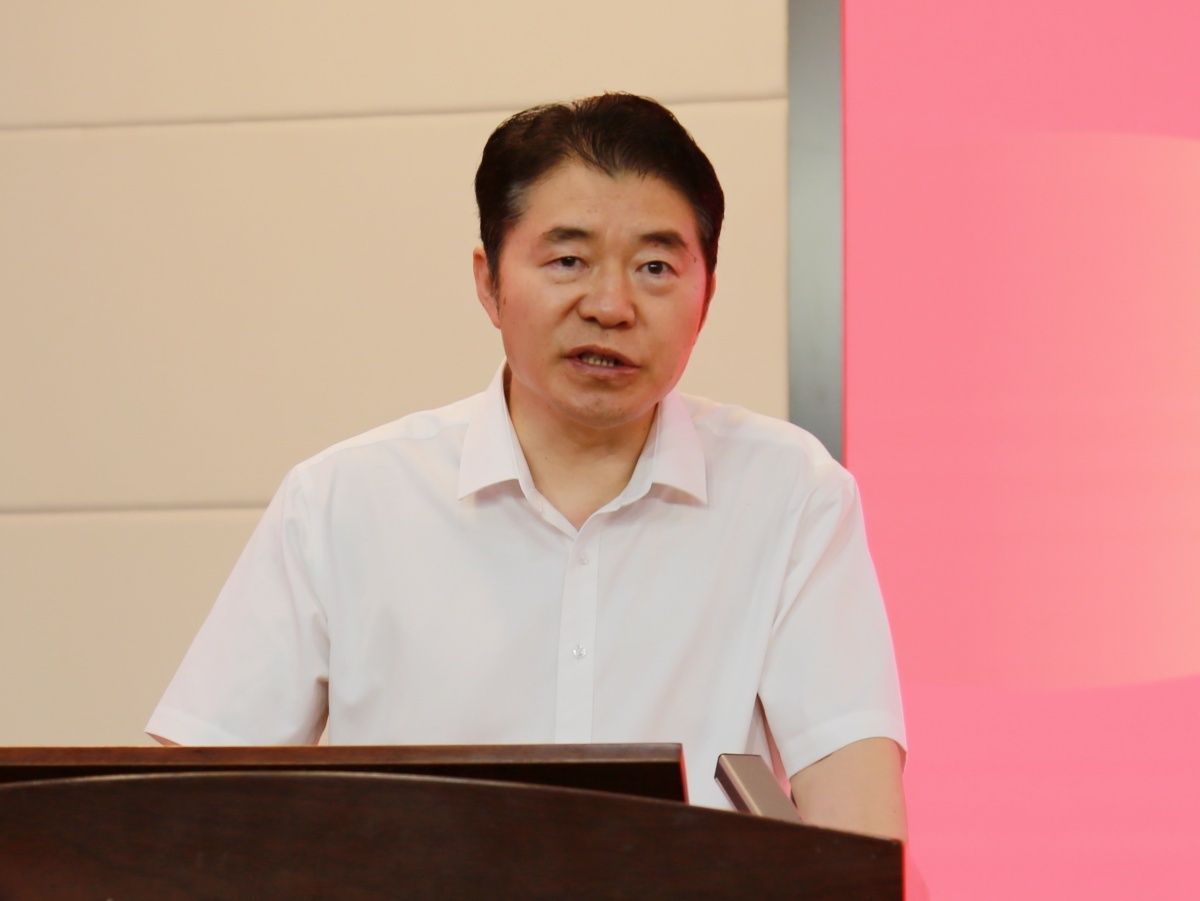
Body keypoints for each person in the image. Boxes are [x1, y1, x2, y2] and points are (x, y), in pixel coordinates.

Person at [147, 93, 907, 838]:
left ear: (705, 295)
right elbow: (179, 820)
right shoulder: (342, 501)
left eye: (655, 267)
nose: (610, 306)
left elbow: (860, 831)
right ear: (489, 282)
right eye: (568, 260)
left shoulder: (789, 495)